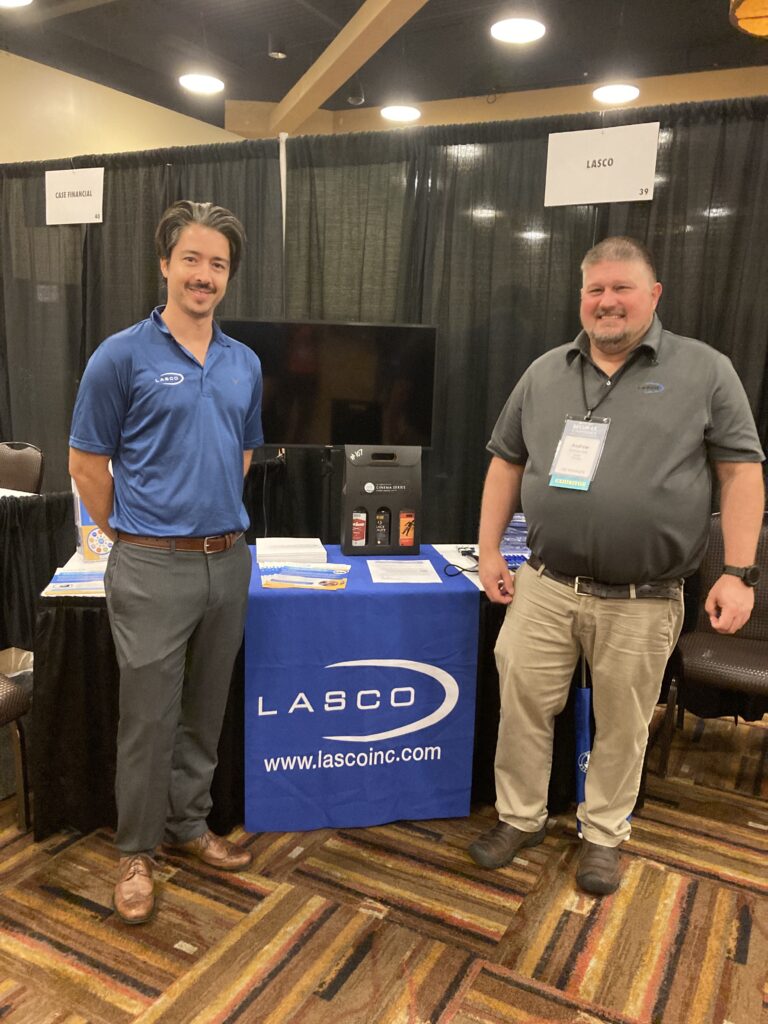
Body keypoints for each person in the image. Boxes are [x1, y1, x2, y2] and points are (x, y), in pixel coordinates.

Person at [468, 236, 764, 895]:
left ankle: (603, 835)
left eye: (621, 288)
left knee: (625, 724)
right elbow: (505, 463)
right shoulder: (545, 372)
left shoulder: (705, 371)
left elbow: (741, 473)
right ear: (581, 299)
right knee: (522, 708)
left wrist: (737, 572)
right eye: (595, 289)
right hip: (546, 584)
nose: (607, 301)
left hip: (646, 594)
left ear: (653, 296)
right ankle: (520, 817)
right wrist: (489, 550)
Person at [69, 200, 263, 924]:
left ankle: (188, 826)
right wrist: (131, 529)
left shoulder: (244, 362)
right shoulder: (121, 355)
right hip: (151, 566)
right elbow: (85, 462)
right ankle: (135, 854)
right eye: (192, 259)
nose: (203, 275)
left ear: (228, 276)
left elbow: (242, 452)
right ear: (165, 264)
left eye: (217, 264)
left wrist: (210, 523)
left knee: (203, 711)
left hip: (227, 562)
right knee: (147, 721)